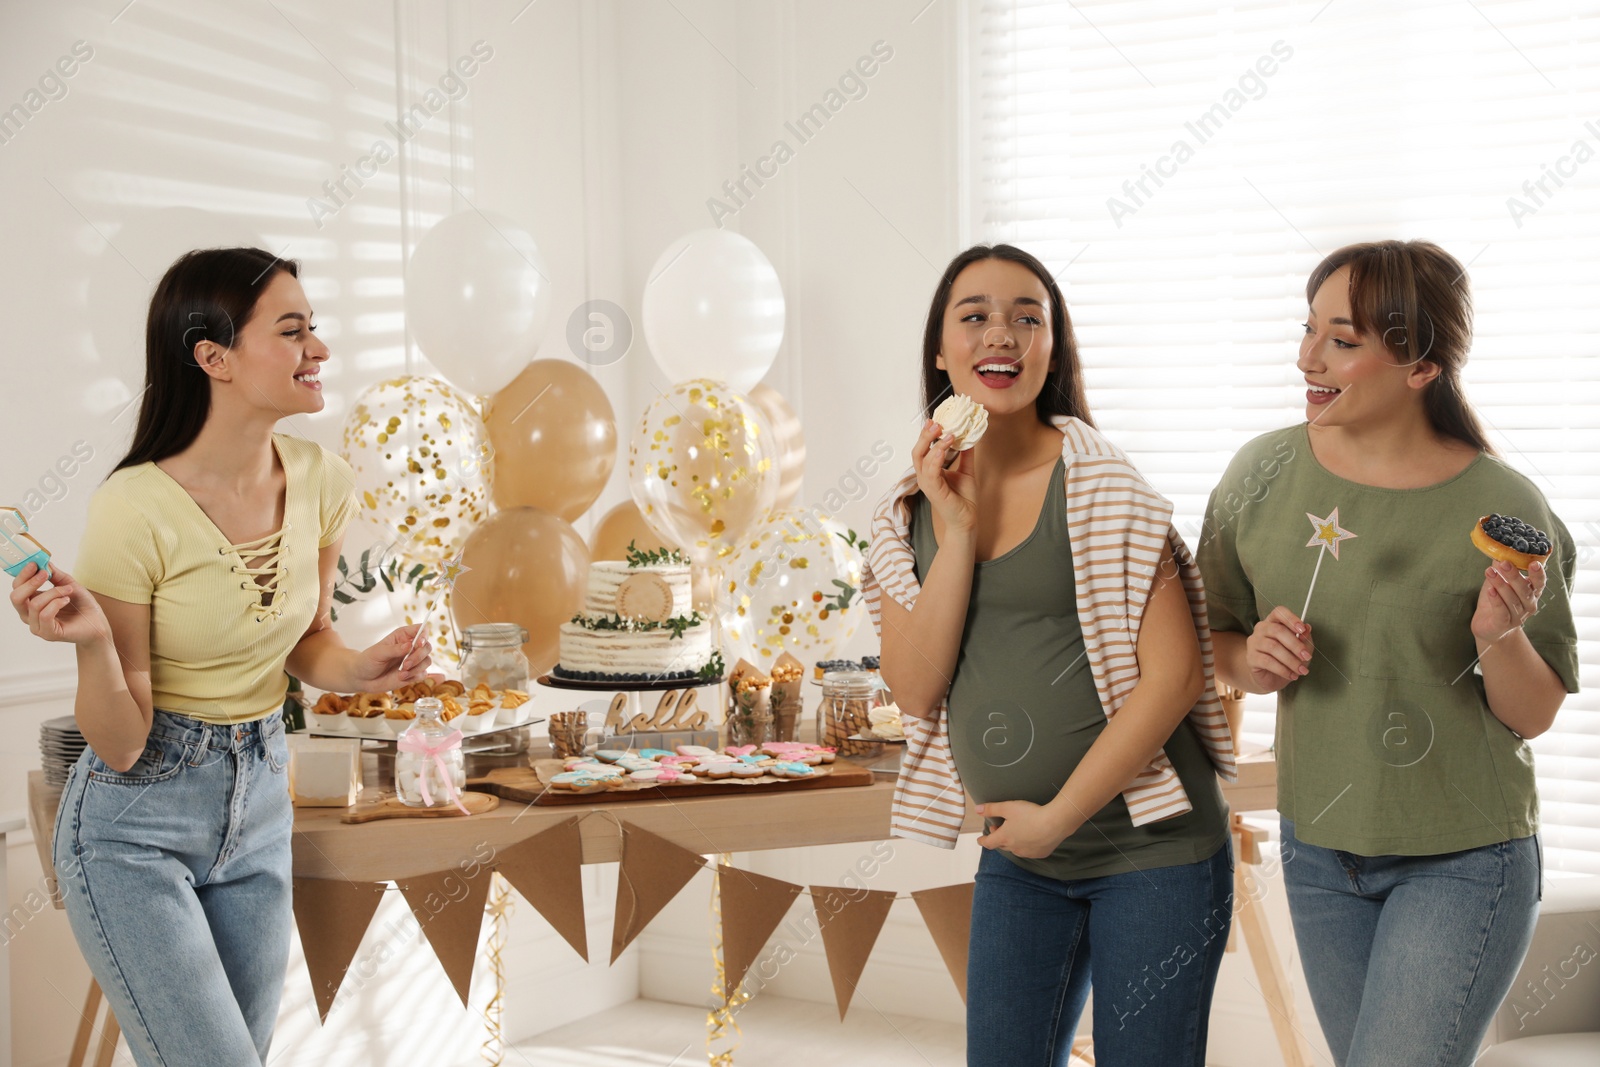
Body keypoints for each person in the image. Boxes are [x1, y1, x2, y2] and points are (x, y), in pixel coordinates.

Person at [10, 247, 432, 1066]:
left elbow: (307, 643)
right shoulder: (135, 508)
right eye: (294, 330)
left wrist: (361, 669)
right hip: (133, 829)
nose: (321, 351)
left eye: (317, 329)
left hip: (259, 810)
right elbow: (122, 743)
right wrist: (94, 642)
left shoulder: (321, 478)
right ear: (214, 357)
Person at [1198, 239, 1579, 1066]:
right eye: (1308, 330)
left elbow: (1534, 711)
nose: (1308, 357)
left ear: (1420, 367)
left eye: (1342, 339)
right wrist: (1248, 659)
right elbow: (1215, 637)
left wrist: (1500, 635)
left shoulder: (1506, 504)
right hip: (1320, 847)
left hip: (1466, 859)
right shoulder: (1259, 474)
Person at [866, 244, 1237, 1066]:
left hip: (1154, 853)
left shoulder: (1106, 488)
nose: (1003, 333)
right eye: (976, 316)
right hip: (1019, 856)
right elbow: (919, 688)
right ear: (941, 348)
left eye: (1028, 317)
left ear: (1052, 349)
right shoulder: (907, 514)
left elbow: (1174, 676)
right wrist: (955, 529)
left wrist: (1058, 819)